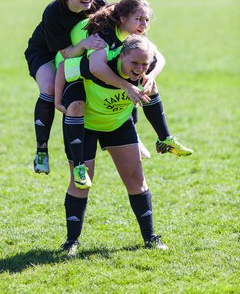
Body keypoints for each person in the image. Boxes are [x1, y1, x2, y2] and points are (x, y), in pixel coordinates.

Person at [55, 0, 193, 190]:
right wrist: (127, 86)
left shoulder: (134, 35)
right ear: (122, 19)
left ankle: (165, 139)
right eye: (139, 19)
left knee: (147, 84)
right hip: (68, 62)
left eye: (146, 20)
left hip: (91, 70)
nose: (144, 24)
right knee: (80, 104)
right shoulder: (104, 33)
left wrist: (151, 76)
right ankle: (60, 158)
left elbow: (159, 57)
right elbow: (94, 68)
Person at [58, 34, 169, 255]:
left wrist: (151, 76)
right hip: (84, 125)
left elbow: (159, 62)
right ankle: (71, 242)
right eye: (134, 63)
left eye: (144, 64)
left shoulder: (148, 67)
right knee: (81, 182)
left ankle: (150, 238)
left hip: (118, 124)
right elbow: (63, 67)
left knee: (136, 179)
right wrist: (57, 99)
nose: (139, 69)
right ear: (121, 56)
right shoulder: (99, 65)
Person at [24, 0, 107, 175]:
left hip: (76, 52)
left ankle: (121, 137)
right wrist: (86, 43)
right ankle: (41, 152)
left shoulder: (100, 5)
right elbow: (67, 54)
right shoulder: (53, 12)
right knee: (50, 88)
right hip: (45, 52)